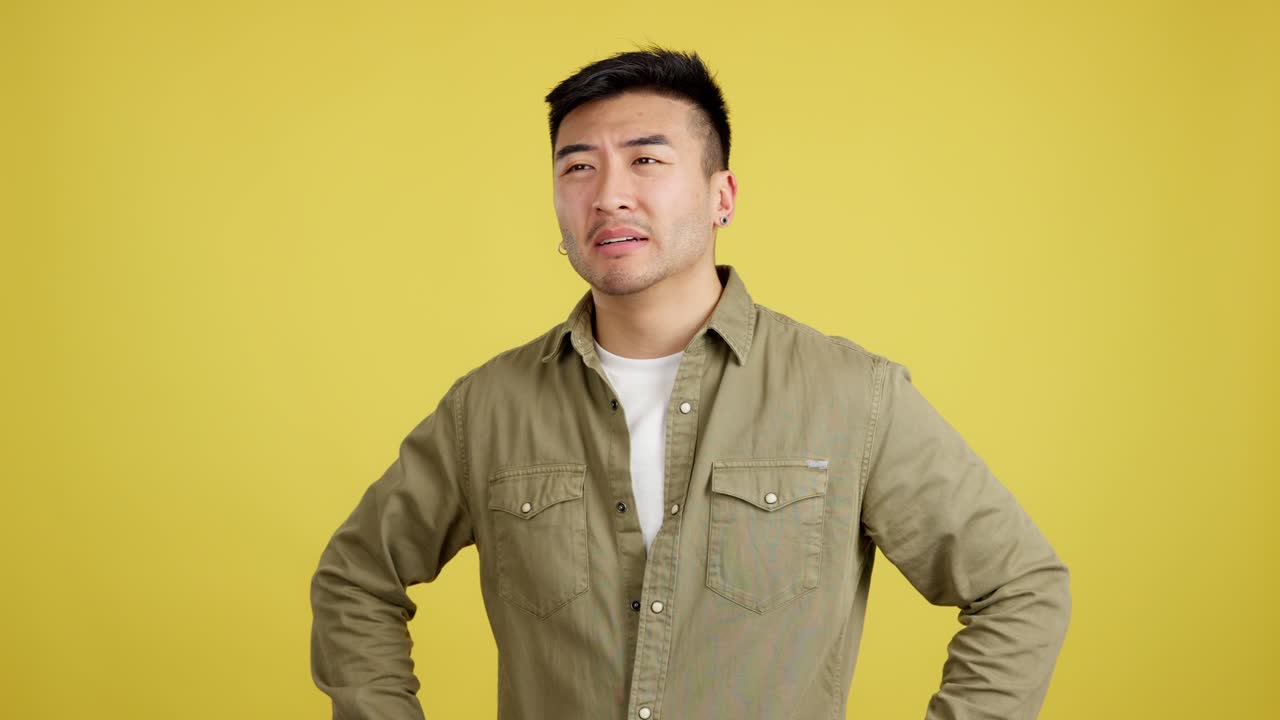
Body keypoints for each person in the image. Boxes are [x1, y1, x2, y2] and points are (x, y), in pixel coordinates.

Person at [310, 45, 1071, 720]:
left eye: (646, 160)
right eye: (578, 166)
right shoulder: (488, 408)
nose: (608, 194)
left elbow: (1019, 587)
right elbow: (356, 579)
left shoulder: (852, 396)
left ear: (721, 197)